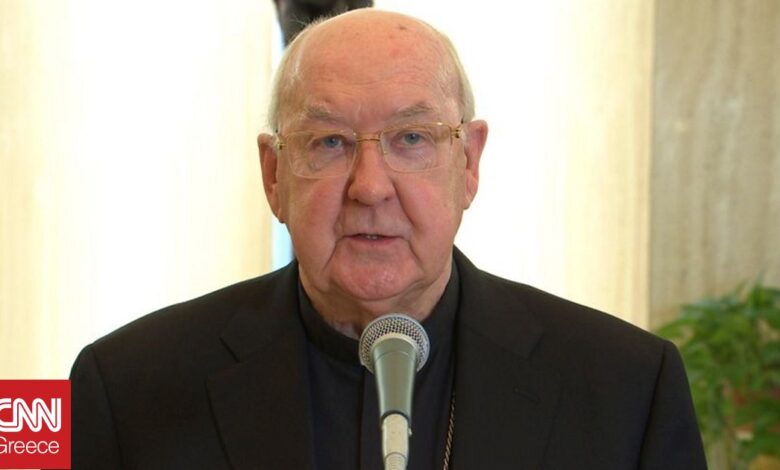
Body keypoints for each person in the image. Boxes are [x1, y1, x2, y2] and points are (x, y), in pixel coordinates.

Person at [70, 9, 707, 469]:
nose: (370, 187)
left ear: (469, 163)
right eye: (329, 142)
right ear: (274, 175)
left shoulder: (627, 388)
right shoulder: (121, 385)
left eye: (411, 138)